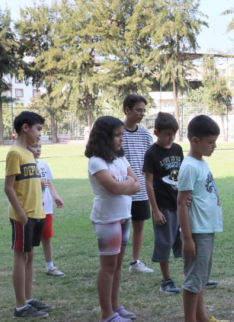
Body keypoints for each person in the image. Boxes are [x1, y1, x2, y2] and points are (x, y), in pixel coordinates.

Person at [86, 116, 142, 322]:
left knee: (118, 265)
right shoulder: (96, 162)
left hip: (124, 216)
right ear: (104, 137)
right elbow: (115, 187)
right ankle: (106, 314)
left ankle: (115, 307)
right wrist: (125, 185)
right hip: (107, 219)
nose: (121, 139)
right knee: (108, 266)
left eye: (121, 135)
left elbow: (137, 184)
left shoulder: (120, 159)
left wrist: (125, 185)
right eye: (117, 135)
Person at [178, 115, 228, 322]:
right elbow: (181, 203)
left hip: (205, 229)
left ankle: (202, 318)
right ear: (195, 141)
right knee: (193, 281)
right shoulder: (189, 166)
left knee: (201, 279)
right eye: (211, 142)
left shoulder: (201, 163)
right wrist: (188, 238)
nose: (214, 146)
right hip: (197, 232)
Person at [5, 111, 54, 318]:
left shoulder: (28, 154)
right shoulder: (15, 153)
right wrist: (22, 214)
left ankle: (28, 298)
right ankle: (20, 307)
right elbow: (8, 187)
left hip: (37, 214)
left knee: (30, 257)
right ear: (26, 128)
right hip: (23, 216)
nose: (40, 134)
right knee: (21, 257)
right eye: (39, 129)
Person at [143, 112, 185, 295]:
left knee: (186, 240)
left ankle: (193, 275)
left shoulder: (177, 149)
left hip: (180, 204)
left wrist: (185, 196)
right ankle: (166, 281)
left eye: (173, 134)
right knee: (164, 242)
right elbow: (148, 182)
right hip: (163, 206)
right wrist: (155, 210)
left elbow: (181, 176)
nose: (171, 138)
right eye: (167, 134)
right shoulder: (151, 153)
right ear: (156, 132)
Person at [122, 94, 155, 274]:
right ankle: (116, 260)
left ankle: (135, 262)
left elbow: (150, 157)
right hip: (122, 189)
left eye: (144, 110)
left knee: (139, 224)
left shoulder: (144, 133)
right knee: (120, 225)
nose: (142, 114)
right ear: (127, 110)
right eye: (138, 110)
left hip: (141, 189)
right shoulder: (118, 132)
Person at [28, 142, 66, 277]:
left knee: (47, 237)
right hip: (32, 207)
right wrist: (38, 183)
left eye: (39, 147)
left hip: (47, 207)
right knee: (30, 240)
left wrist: (56, 197)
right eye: (34, 147)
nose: (38, 149)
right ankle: (28, 271)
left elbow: (48, 183)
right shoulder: (25, 166)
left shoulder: (43, 165)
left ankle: (50, 266)